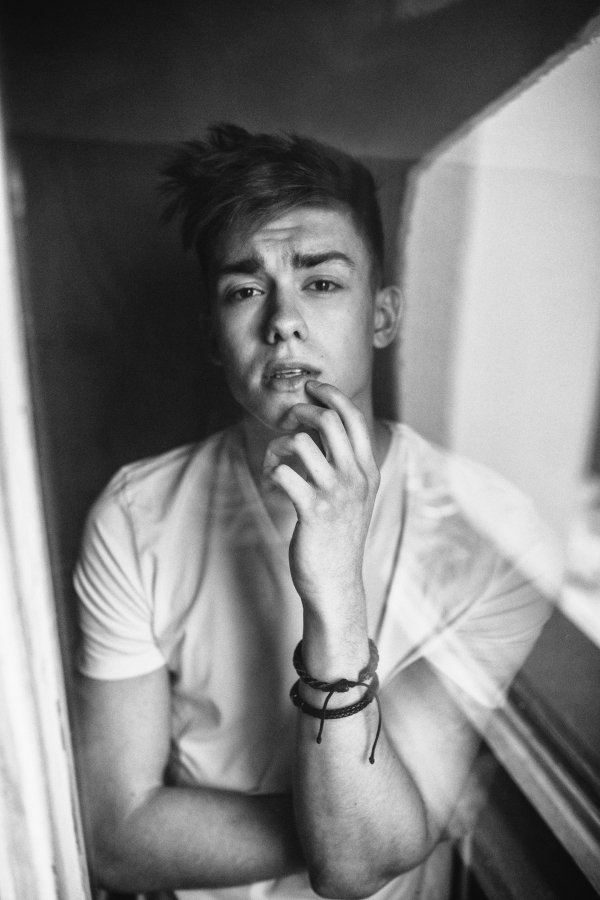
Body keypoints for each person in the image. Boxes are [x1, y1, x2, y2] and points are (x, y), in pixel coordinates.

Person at [74, 124, 554, 900]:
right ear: (213, 336)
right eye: (245, 290)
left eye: (321, 282)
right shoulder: (136, 517)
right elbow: (118, 840)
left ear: (383, 317)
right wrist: (371, 819)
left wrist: (334, 590)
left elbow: (359, 867)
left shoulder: (498, 533)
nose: (282, 320)